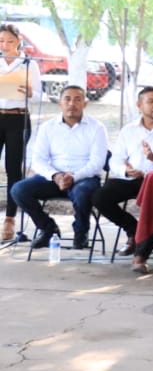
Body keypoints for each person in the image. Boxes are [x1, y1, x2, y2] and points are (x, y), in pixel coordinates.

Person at [91, 86, 153, 272]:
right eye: (151, 102)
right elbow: (116, 159)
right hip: (134, 179)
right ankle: (134, 230)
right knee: (100, 197)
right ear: (139, 105)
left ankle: (140, 256)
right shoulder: (129, 130)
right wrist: (125, 171)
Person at [11, 85, 107, 250]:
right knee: (19, 190)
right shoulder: (47, 128)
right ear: (60, 103)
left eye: (77, 99)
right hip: (53, 178)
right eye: (67, 99)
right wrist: (55, 175)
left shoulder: (97, 128)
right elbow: (38, 160)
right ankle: (48, 228)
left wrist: (73, 176)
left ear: (85, 104)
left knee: (83, 192)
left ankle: (81, 233)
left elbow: (97, 162)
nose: (72, 104)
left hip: (83, 178)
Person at [0, 23, 41, 243]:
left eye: (10, 41)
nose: (5, 45)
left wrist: (30, 91)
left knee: (13, 168)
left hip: (18, 117)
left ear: (19, 42)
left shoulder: (28, 64)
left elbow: (38, 97)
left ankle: (9, 220)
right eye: (1, 41)